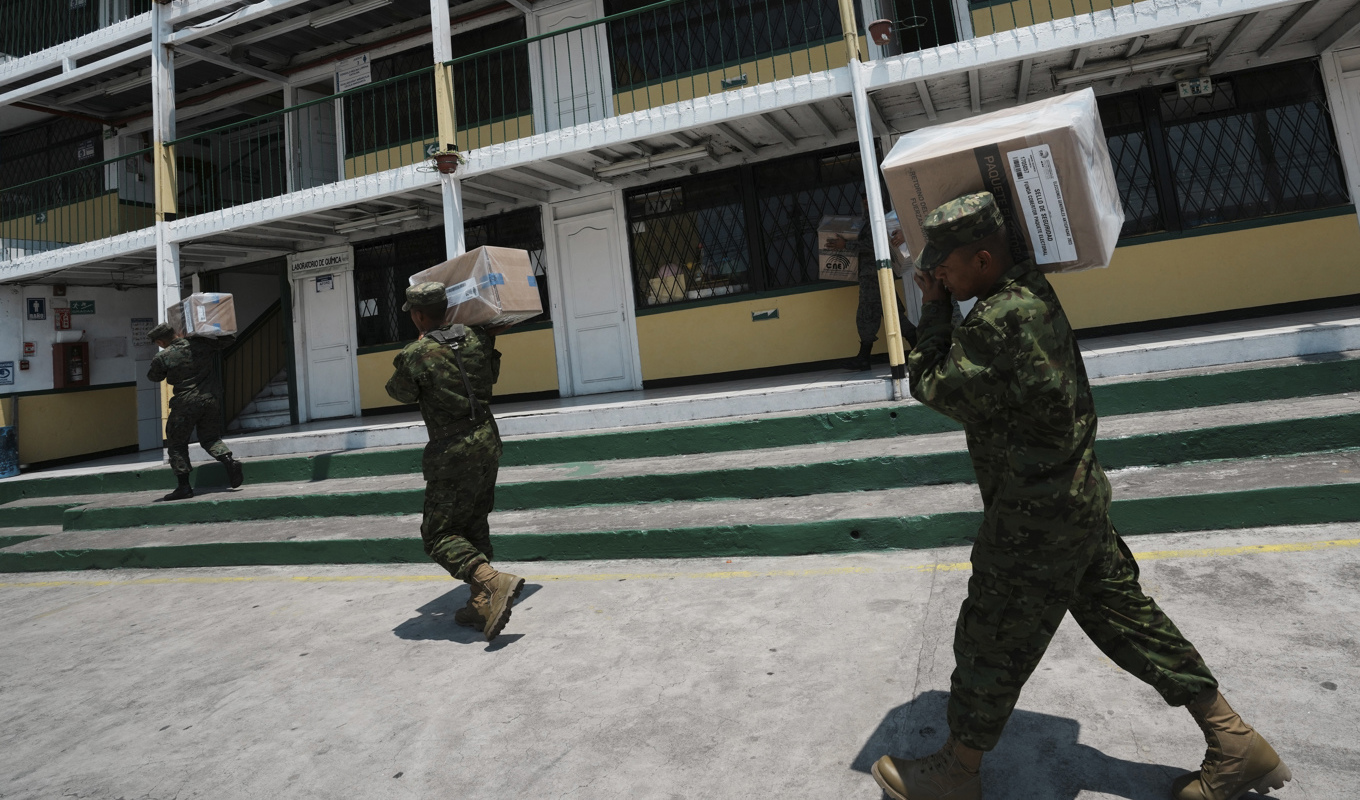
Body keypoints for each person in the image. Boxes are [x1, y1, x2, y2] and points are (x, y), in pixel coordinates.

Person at [872, 193, 1291, 800]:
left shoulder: (995, 319)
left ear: (983, 258)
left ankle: (957, 772)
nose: (937, 274)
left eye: (946, 266)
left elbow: (934, 384)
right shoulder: (1028, 294)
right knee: (1130, 623)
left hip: (1034, 518)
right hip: (1075, 501)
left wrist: (933, 309)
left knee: (991, 637)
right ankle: (1234, 742)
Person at [384, 281, 524, 642]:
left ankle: (492, 582)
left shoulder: (416, 353)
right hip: (487, 442)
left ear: (417, 314)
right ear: (447, 309)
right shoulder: (478, 338)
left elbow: (398, 392)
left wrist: (417, 348)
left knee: (438, 534)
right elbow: (490, 376)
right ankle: (481, 602)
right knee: (475, 523)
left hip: (451, 451)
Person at [147, 322, 244, 502]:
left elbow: (154, 377)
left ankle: (184, 487)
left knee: (176, 444)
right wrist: (204, 332)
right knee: (210, 438)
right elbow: (229, 338)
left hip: (185, 403)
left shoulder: (163, 356)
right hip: (211, 398)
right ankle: (229, 462)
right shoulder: (202, 344)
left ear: (160, 341)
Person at [844, 197, 916, 371]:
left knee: (868, 314)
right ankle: (917, 347)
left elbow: (872, 245)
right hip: (874, 274)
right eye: (864, 203)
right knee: (890, 313)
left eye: (867, 202)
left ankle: (864, 357)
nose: (865, 206)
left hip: (873, 276)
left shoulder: (876, 221)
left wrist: (844, 244)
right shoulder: (870, 221)